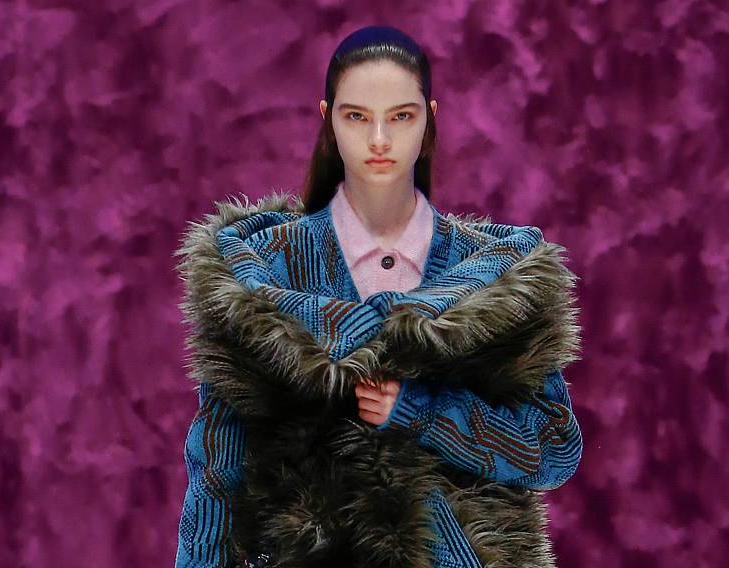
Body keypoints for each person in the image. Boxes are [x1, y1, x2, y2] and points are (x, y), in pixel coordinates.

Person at [174, 25, 584, 568]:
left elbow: (553, 447)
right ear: (328, 119)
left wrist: (418, 411)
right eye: (357, 116)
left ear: (429, 118)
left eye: (401, 116)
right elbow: (217, 466)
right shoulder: (264, 269)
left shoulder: (498, 275)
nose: (379, 140)